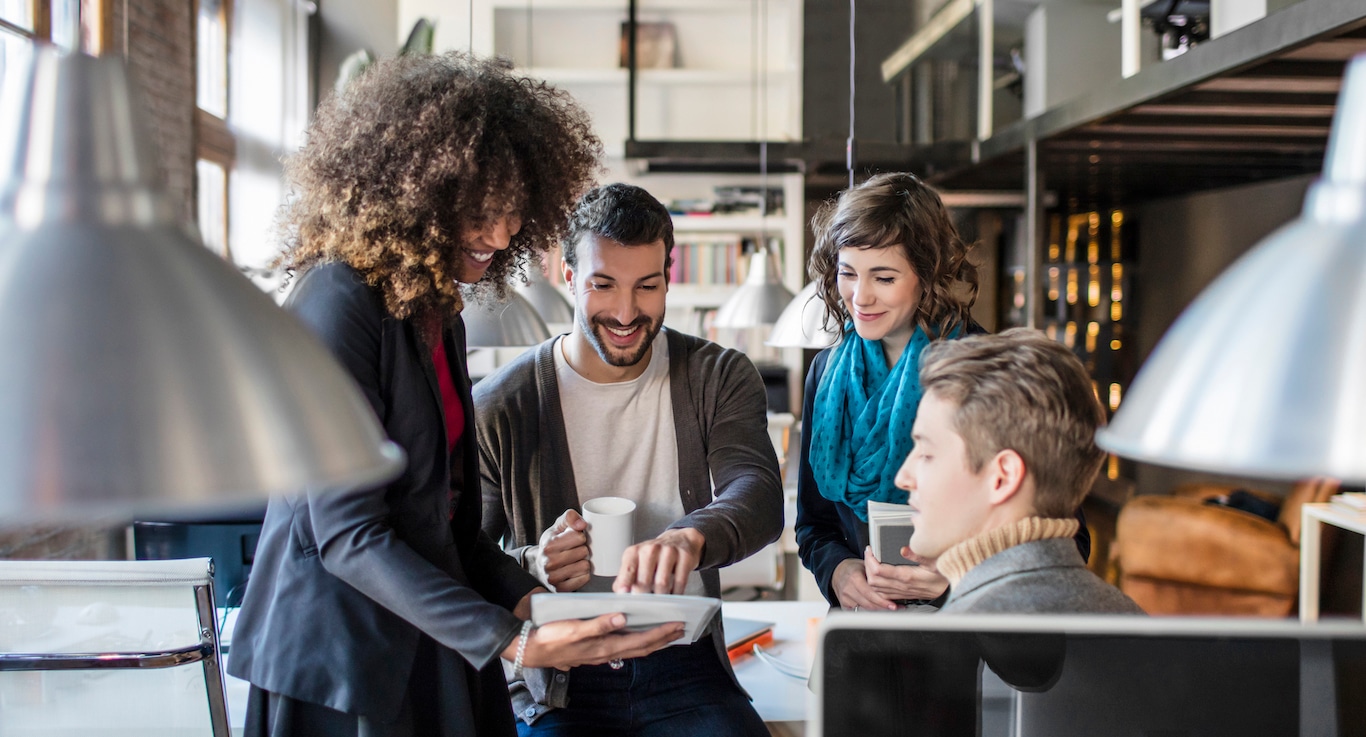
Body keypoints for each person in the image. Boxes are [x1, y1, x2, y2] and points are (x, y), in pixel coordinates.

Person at [228, 54, 682, 737]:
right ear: (413, 189)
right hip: (339, 665)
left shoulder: (437, 310)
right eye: (479, 210)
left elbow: (450, 528)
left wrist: (534, 606)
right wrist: (513, 638)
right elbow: (348, 536)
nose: (500, 236)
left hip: (429, 640)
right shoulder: (336, 300)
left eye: (514, 214)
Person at [476, 182, 783, 736]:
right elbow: (467, 552)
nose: (625, 312)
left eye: (647, 286)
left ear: (670, 278)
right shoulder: (502, 404)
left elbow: (756, 493)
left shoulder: (717, 375)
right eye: (603, 285)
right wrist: (533, 563)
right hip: (560, 681)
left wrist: (691, 537)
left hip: (685, 665)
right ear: (567, 277)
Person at [793, 172, 1090, 612]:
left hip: (970, 634)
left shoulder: (989, 375)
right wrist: (838, 571)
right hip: (860, 630)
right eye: (848, 273)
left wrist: (954, 581)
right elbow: (813, 526)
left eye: (885, 277)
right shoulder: (825, 373)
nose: (860, 297)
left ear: (926, 274)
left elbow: (1067, 543)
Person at [894, 329, 1144, 614]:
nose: (903, 477)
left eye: (926, 454)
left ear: (1003, 477)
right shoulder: (1130, 619)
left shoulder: (951, 643)